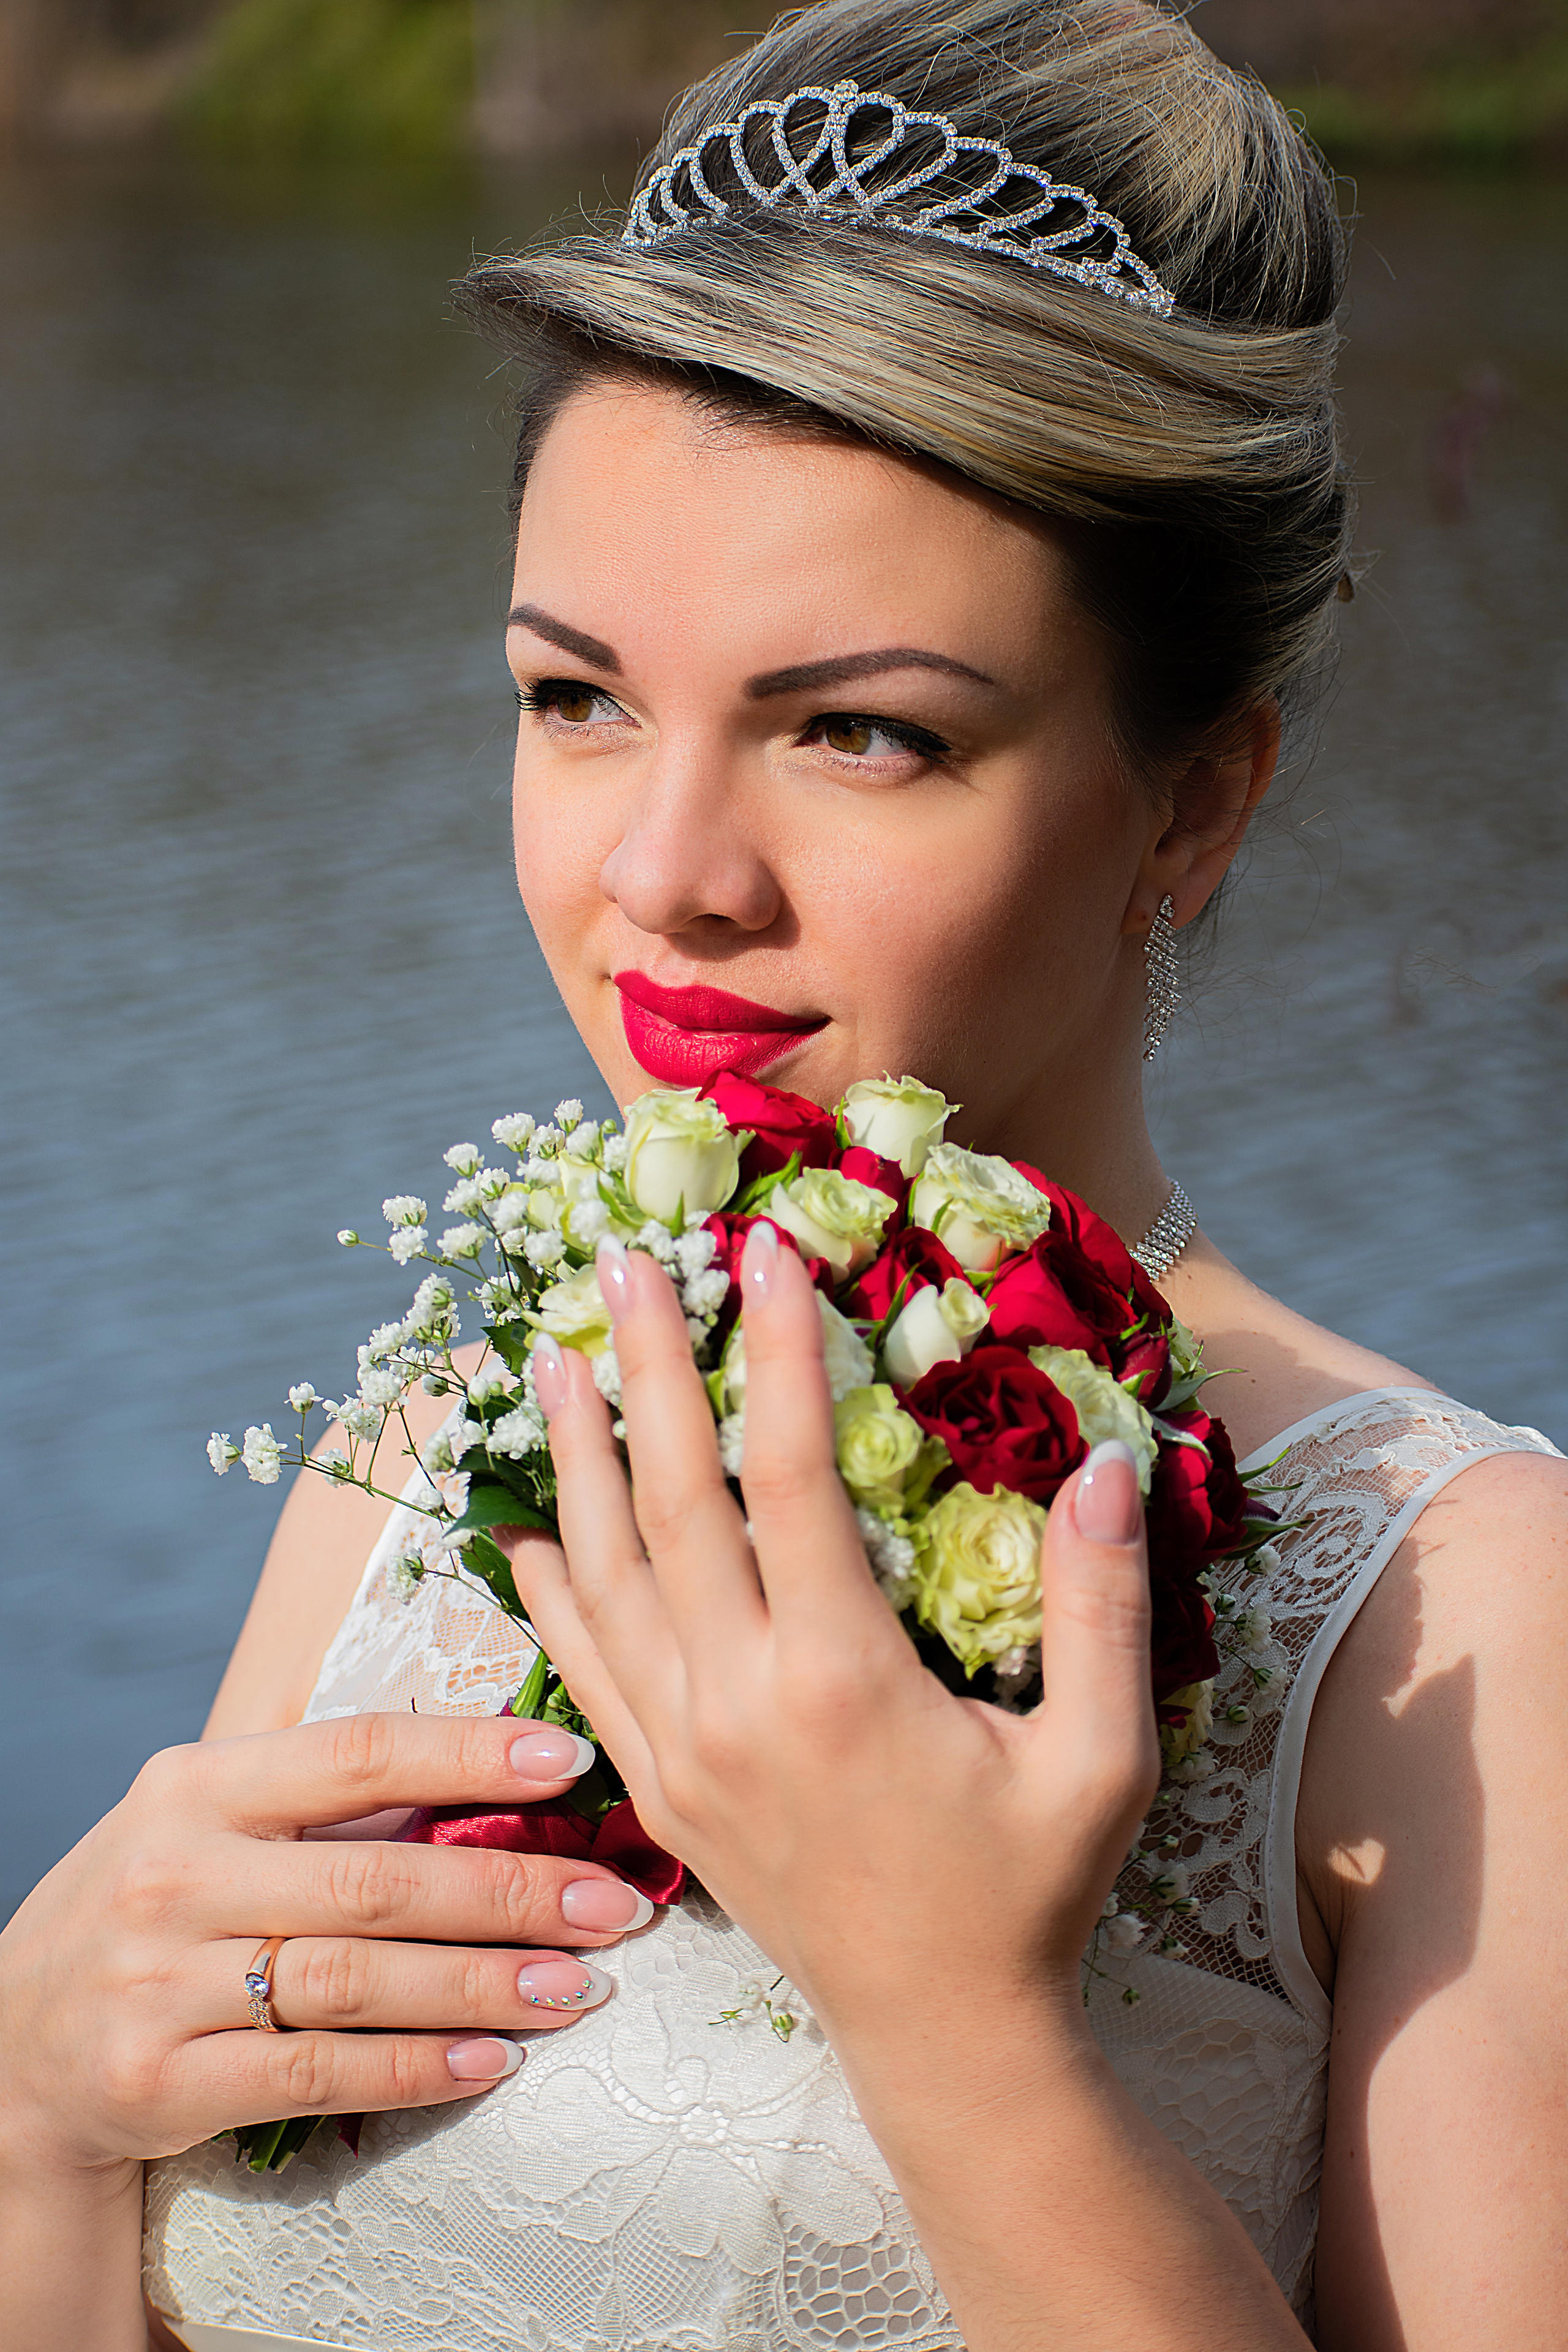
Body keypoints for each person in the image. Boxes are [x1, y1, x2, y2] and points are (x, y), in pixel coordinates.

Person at [3, 4, 1564, 2346]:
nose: (664, 874)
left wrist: (957, 2016)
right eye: (576, 697)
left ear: (1193, 799)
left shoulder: (1458, 1635)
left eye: (862, 732)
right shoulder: (441, 1448)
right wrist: (31, 2115)